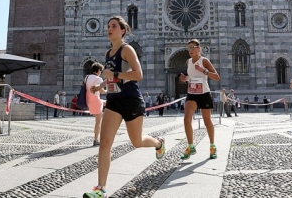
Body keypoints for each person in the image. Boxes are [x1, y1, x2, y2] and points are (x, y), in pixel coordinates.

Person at [83, 16, 165, 198]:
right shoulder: (108, 54)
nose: (109, 29)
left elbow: (138, 74)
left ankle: (159, 143)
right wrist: (102, 85)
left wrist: (114, 74)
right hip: (113, 101)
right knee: (104, 143)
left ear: (122, 30)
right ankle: (100, 189)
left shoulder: (126, 49)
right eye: (108, 26)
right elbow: (111, 76)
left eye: (113, 26)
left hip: (131, 99)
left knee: (137, 142)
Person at [179, 39, 221, 160]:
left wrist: (203, 70)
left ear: (199, 48)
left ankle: (212, 146)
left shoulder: (204, 60)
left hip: (204, 93)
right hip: (192, 93)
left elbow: (216, 77)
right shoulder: (188, 62)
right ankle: (191, 146)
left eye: (193, 48)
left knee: (207, 121)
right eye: (189, 48)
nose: (190, 50)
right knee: (187, 118)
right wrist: (184, 78)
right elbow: (191, 77)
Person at [86, 62, 108, 146]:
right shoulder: (99, 79)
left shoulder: (87, 77)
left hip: (89, 100)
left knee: (108, 103)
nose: (101, 73)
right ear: (98, 70)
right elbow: (101, 91)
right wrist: (108, 91)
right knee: (98, 122)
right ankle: (95, 140)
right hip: (96, 101)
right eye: (101, 71)